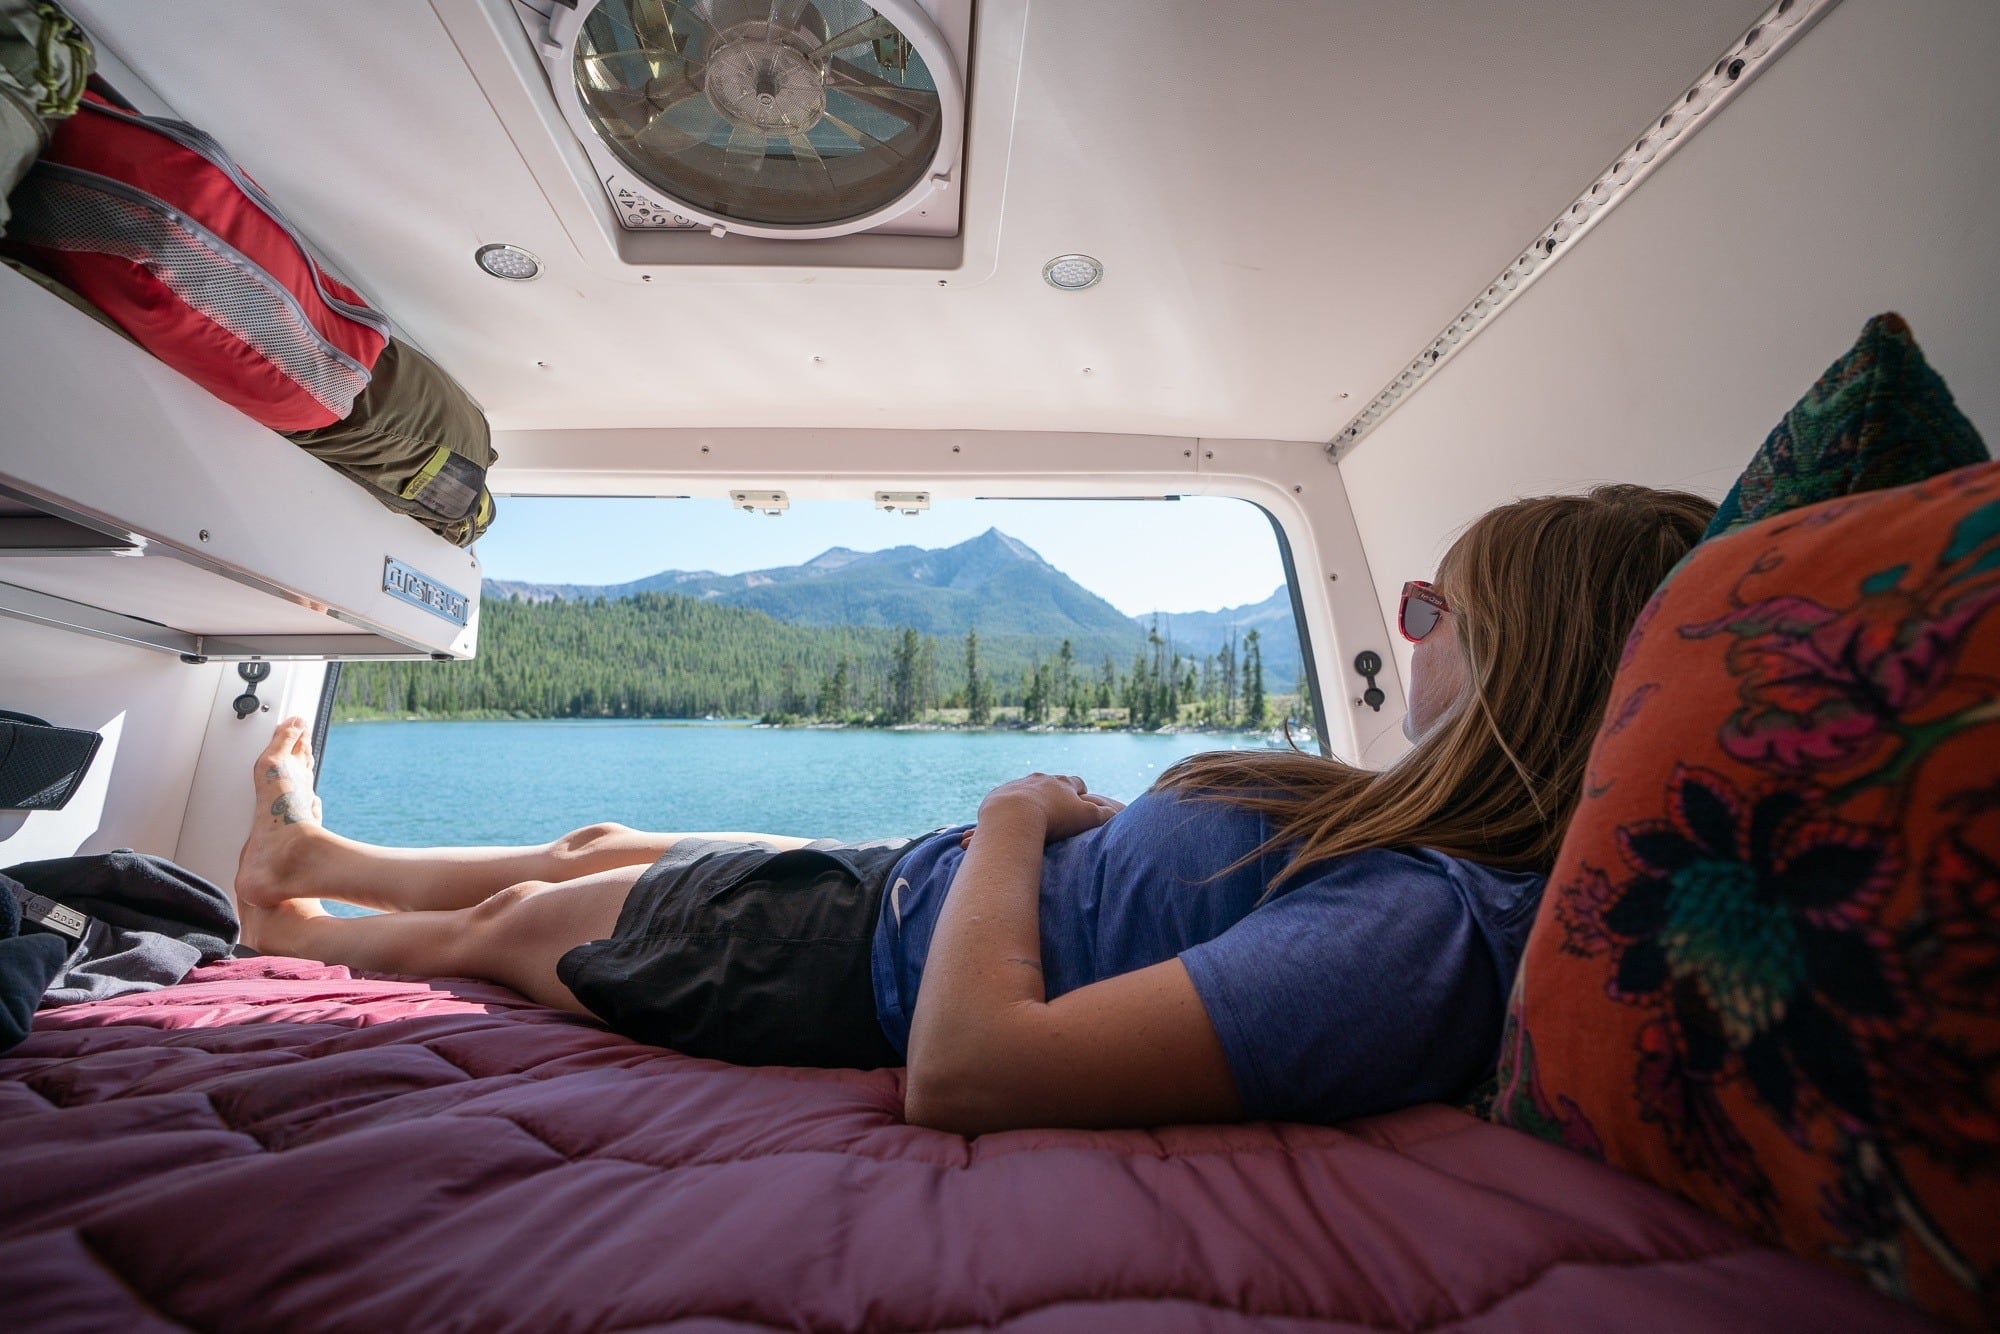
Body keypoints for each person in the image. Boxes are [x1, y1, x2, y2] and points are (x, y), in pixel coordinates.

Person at [234, 485, 1715, 1135]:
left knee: (512, 928)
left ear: (1532, 659)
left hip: (845, 955)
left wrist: (1013, 821)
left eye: (1432, 600)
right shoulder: (1414, 849)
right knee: (594, 844)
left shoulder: (1426, 925)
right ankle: (319, 852)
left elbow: (971, 1070)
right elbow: (1180, 914)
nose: (1412, 625)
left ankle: (277, 938)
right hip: (899, 886)